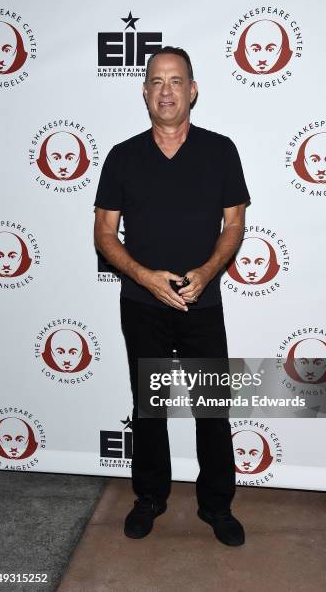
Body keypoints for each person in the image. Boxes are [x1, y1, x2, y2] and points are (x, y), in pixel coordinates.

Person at [93, 46, 250, 546]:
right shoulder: (122, 156)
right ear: (144, 92)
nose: (166, 91)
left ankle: (217, 506)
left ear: (193, 90)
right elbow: (103, 234)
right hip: (143, 306)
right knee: (149, 406)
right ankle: (150, 497)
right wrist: (145, 277)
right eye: (156, 81)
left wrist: (205, 273)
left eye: (176, 81)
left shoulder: (220, 150)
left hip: (203, 304)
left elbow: (235, 224)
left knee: (212, 408)